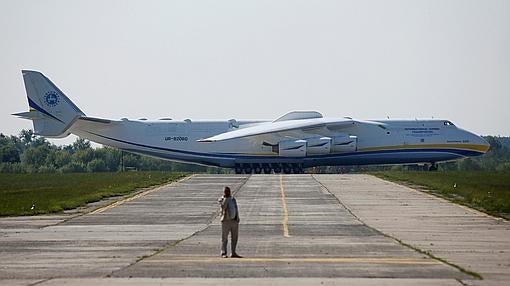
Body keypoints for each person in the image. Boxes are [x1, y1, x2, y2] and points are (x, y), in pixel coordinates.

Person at [218, 186, 242, 258]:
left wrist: (237, 218)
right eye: (226, 191)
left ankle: (233, 252)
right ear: (224, 192)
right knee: (224, 238)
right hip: (226, 221)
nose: (228, 192)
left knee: (234, 237)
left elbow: (235, 208)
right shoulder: (222, 199)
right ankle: (223, 252)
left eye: (229, 191)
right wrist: (226, 198)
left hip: (234, 221)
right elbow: (223, 207)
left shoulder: (233, 199)